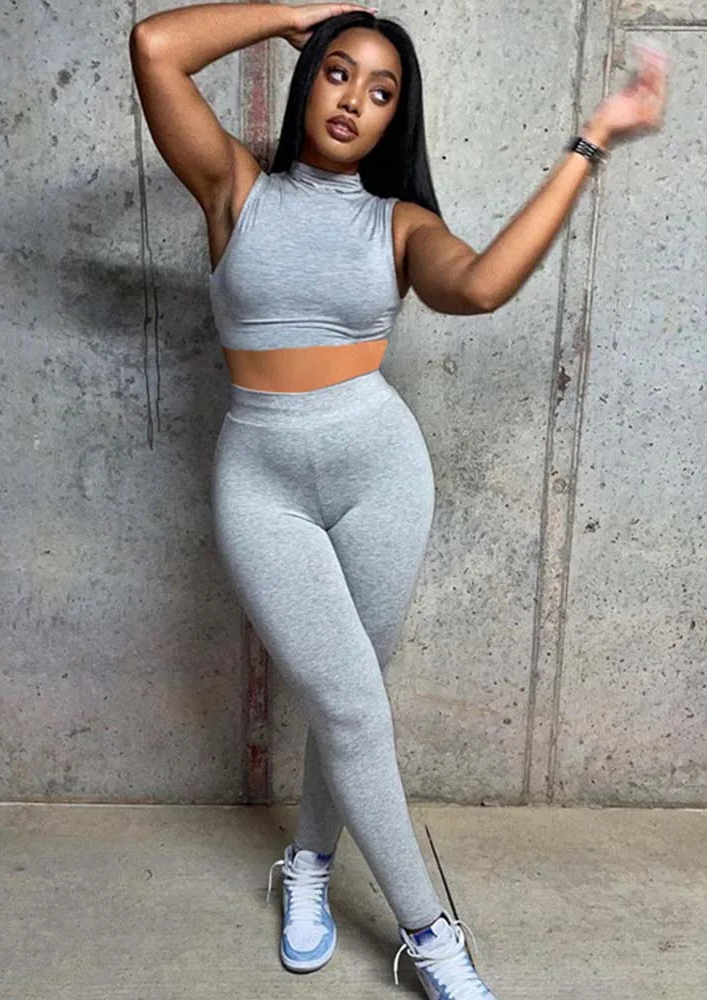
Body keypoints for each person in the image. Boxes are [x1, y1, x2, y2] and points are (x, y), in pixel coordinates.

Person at [129, 5, 668, 996]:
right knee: (349, 704)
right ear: (308, 79)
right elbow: (156, 47)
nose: (355, 101)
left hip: (381, 473)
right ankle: (430, 933)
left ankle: (308, 862)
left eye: (382, 92)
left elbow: (483, 286)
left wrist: (593, 140)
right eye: (339, 73)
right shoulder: (234, 186)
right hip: (262, 483)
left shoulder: (399, 225)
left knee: (354, 702)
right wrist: (292, 14)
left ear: (395, 120)